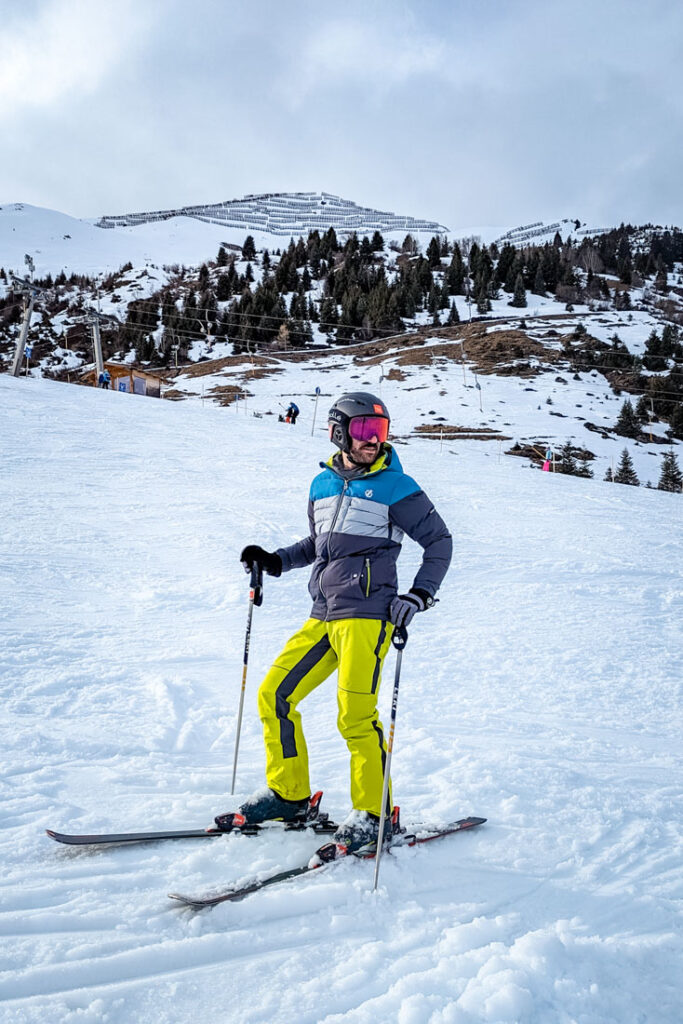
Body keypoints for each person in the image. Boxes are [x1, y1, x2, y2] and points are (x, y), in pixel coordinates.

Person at [218, 392, 452, 853]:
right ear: (339, 432)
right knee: (274, 695)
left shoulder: (397, 486)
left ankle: (374, 812)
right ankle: (289, 794)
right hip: (322, 614)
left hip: (368, 616)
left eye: (380, 432)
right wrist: (275, 560)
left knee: (355, 716)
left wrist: (418, 595)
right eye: (365, 431)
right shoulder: (322, 485)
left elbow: (439, 542)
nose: (374, 441)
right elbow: (319, 546)